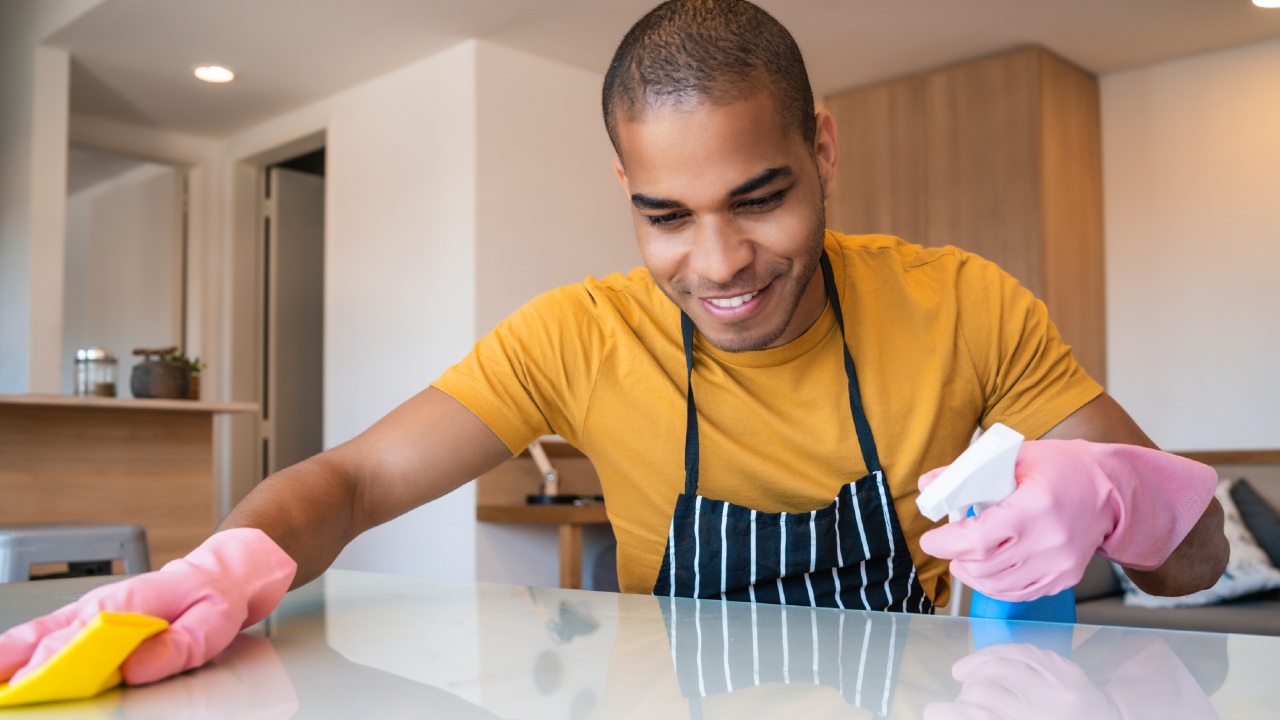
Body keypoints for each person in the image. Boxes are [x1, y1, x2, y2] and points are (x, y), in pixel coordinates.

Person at [0, 0, 1227, 688]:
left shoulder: (964, 306)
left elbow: (1196, 562)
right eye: (664, 215)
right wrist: (224, 566)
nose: (719, 264)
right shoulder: (577, 335)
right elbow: (356, 479)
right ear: (625, 190)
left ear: (823, 152)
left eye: (759, 197)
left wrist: (1120, 498)